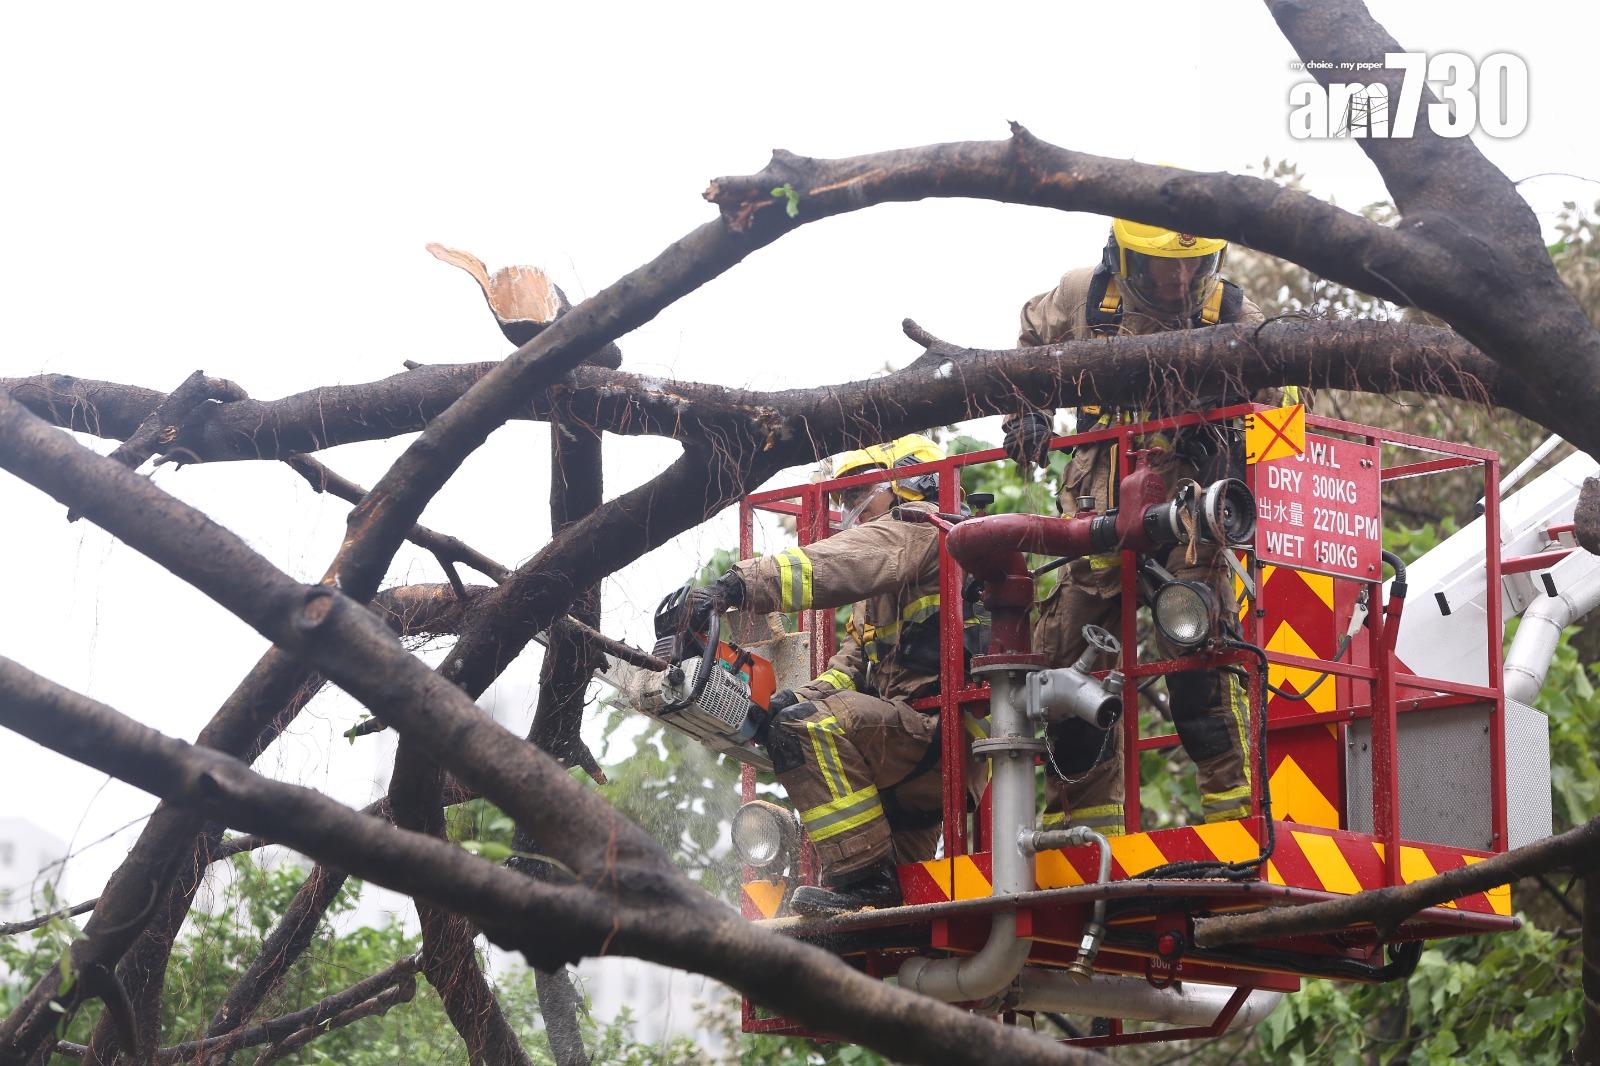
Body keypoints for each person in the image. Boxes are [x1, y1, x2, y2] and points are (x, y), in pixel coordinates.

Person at [1004, 218, 1302, 837]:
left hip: (1191, 520)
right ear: (1124, 258)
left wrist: (1233, 430)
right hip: (1095, 515)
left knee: (1202, 674)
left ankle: (1238, 834)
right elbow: (1026, 343)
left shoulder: (1235, 314)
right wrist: (1027, 414)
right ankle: (1087, 844)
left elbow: (1292, 416)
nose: (1181, 278)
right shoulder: (1083, 295)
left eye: (1196, 265)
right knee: (1070, 680)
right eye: (1165, 266)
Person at [689, 434, 952, 915]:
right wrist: (783, 703)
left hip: (943, 736)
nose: (852, 510)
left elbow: (833, 562)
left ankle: (866, 879)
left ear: (914, 483)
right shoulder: (883, 593)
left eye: (860, 493)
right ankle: (867, 889)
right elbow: (847, 670)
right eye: (846, 499)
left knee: (805, 728)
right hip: (908, 746)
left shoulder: (923, 529)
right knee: (897, 926)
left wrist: (737, 585)